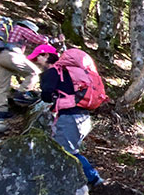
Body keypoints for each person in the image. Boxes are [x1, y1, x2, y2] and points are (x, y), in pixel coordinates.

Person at [40, 48, 105, 187]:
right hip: (83, 117)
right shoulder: (76, 73)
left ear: (46, 56)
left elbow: (46, 95)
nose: (36, 61)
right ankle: (80, 180)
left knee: (66, 152)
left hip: (69, 118)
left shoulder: (54, 72)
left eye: (37, 58)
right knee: (69, 150)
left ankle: (92, 179)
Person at [0, 13, 49, 120]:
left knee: (2, 86)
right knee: (34, 72)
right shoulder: (20, 28)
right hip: (9, 56)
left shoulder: (7, 31)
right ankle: (22, 94)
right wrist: (53, 40)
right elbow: (40, 40)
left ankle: (1, 112)